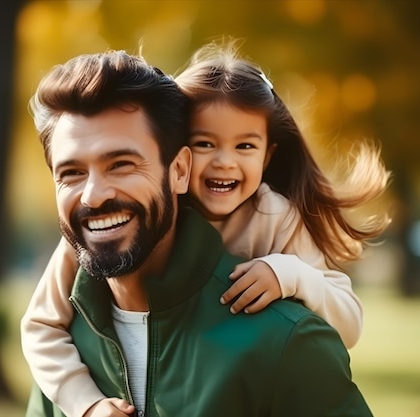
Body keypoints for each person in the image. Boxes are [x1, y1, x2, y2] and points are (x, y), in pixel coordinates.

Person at [22, 47, 377, 417]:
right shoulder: (74, 346)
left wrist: (289, 274)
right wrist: (84, 403)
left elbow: (346, 325)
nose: (224, 162)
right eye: (206, 143)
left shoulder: (275, 218)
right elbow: (39, 326)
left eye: (122, 164)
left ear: (177, 168)